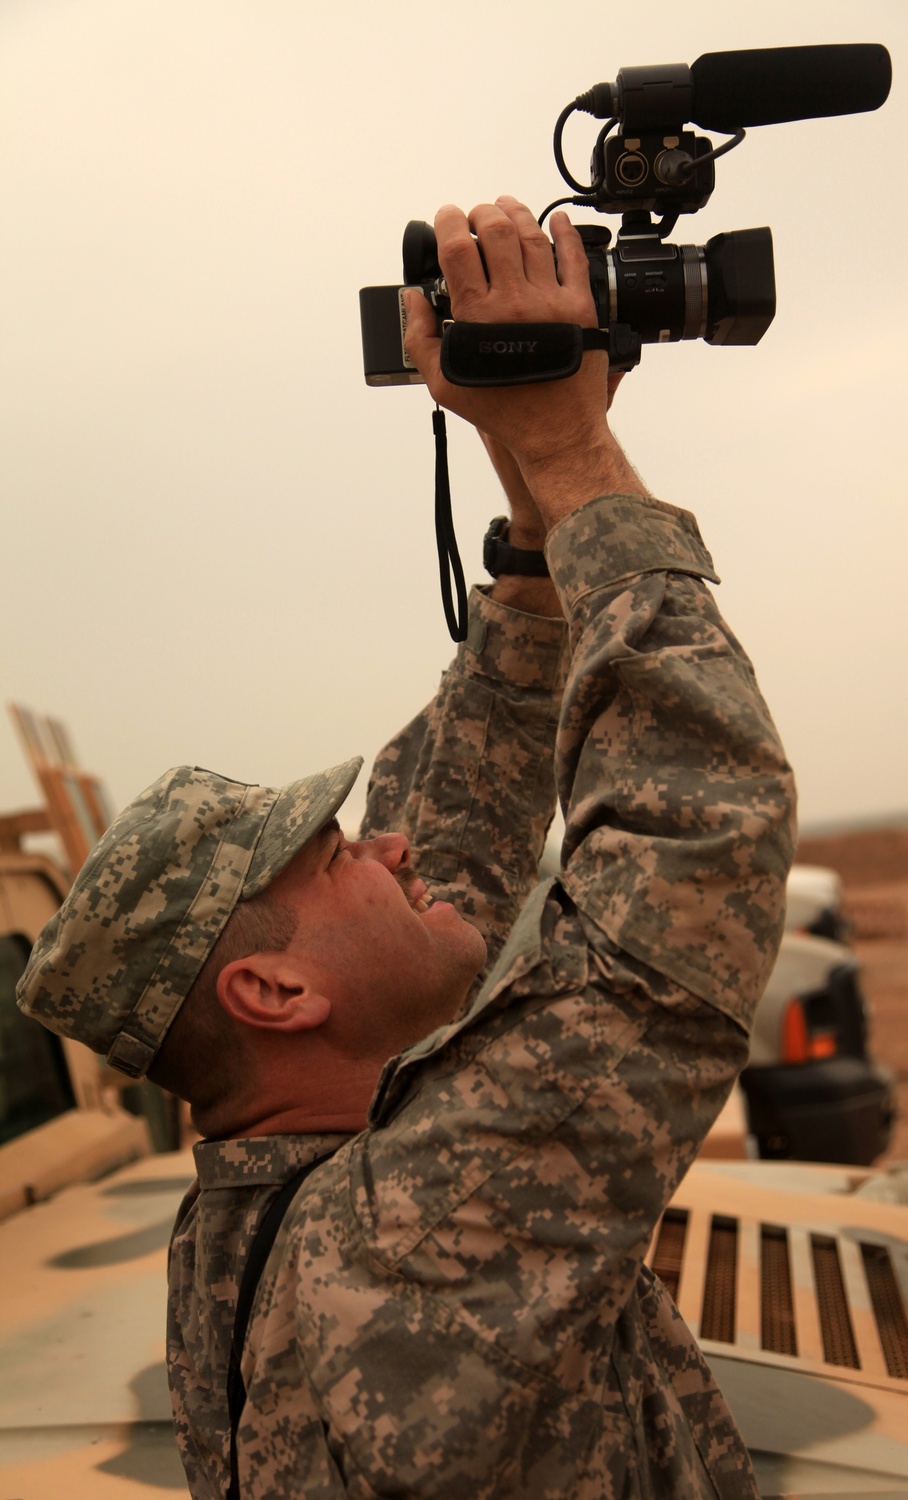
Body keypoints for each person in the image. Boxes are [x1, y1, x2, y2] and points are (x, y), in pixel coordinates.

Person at [17, 196, 795, 1499]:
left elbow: (459, 834)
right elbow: (693, 832)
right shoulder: (404, 1239)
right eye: (332, 862)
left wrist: (528, 496)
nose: (386, 850)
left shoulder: (272, 1200)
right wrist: (569, 441)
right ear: (273, 992)